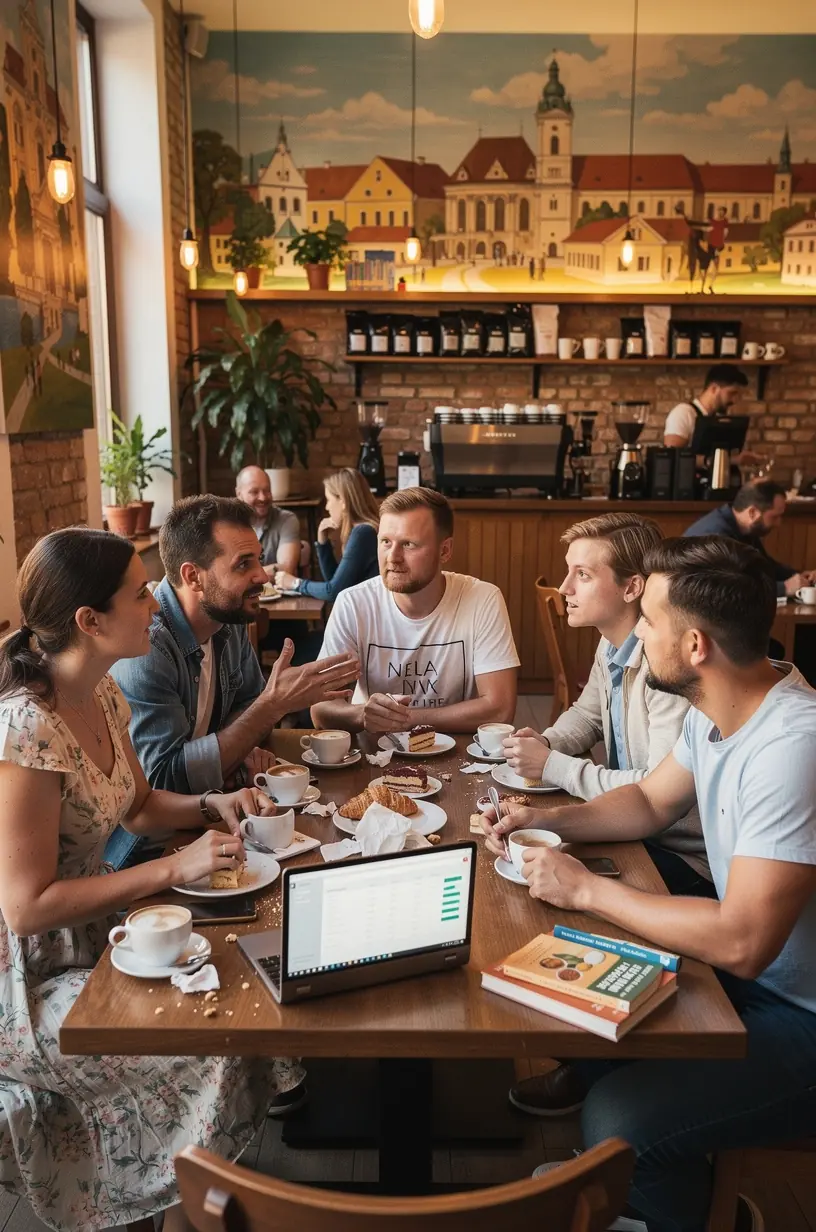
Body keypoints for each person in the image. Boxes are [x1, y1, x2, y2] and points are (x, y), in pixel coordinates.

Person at [483, 536, 816, 1232]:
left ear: (695, 645)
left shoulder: (794, 744)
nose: (636, 633)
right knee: (575, 997)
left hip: (802, 1012)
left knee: (616, 1115)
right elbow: (648, 804)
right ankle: (660, 1179)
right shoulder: (721, 702)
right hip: (758, 975)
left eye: (651, 622)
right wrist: (543, 822)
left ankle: (677, 1205)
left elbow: (746, 941)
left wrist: (587, 890)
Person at [0, 528, 304, 1232]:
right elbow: (24, 907)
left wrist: (211, 805)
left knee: (233, 1003)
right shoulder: (26, 730)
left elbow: (136, 804)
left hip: (95, 935)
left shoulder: (102, 693)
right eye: (140, 595)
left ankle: (172, 1210)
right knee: (207, 1043)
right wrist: (173, 866)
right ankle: (174, 1210)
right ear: (90, 621)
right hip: (27, 975)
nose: (157, 608)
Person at [106, 495, 358, 869]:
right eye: (244, 564)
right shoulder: (146, 645)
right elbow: (166, 779)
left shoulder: (228, 619)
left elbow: (248, 705)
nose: (263, 575)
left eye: (258, 558)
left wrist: (252, 723)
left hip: (221, 813)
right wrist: (270, 708)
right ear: (194, 577)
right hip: (148, 853)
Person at [502, 512, 708, 891]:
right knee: (520, 861)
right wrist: (546, 743)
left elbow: (652, 790)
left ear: (632, 588)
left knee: (531, 881)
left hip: (682, 857)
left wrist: (552, 765)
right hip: (628, 828)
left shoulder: (668, 668)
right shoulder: (611, 642)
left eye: (583, 575)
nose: (564, 588)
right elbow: (587, 715)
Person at [311, 486, 519, 734]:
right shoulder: (353, 603)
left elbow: (500, 709)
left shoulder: (482, 599)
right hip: (377, 753)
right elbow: (320, 709)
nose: (393, 557)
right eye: (386, 542)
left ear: (445, 551)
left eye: (408, 544)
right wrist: (362, 715)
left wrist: (406, 718)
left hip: (458, 754)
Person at [684, 479, 814, 598]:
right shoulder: (717, 536)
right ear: (752, 512)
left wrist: (802, 577)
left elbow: (763, 566)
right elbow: (729, 588)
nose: (778, 523)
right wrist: (783, 588)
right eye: (774, 517)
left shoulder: (742, 528)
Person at [273, 467, 379, 601]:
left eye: (329, 500)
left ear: (343, 501)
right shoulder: (364, 530)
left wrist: (295, 583)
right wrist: (323, 543)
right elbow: (334, 581)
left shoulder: (363, 532)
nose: (327, 507)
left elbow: (333, 592)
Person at [662, 363, 749, 450]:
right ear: (714, 389)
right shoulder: (683, 413)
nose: (734, 400)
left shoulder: (716, 418)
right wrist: (732, 459)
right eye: (731, 393)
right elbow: (673, 456)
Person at [235, 464, 301, 577]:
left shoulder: (286, 520)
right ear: (239, 494)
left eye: (267, 490)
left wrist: (241, 576)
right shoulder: (227, 524)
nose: (263, 498)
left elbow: (287, 569)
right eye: (254, 492)